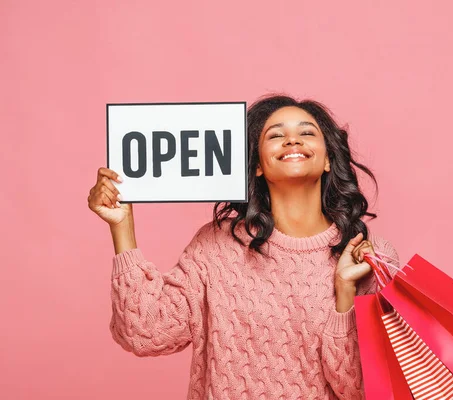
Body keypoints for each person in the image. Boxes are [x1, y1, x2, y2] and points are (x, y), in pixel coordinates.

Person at [88, 94, 399, 399]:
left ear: (329, 159)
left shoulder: (368, 259)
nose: (293, 141)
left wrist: (345, 291)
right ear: (258, 165)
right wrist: (122, 227)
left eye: (306, 132)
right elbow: (145, 332)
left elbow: (360, 389)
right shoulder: (217, 246)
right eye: (276, 136)